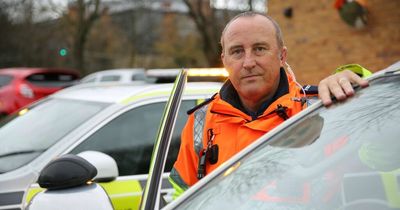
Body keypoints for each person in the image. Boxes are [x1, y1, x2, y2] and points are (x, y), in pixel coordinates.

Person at [169, 11, 369, 198]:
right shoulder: (201, 121)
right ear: (224, 60)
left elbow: (378, 154)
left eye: (259, 49)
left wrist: (358, 85)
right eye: (237, 51)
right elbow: (183, 197)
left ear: (282, 56)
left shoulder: (321, 109)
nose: (248, 62)